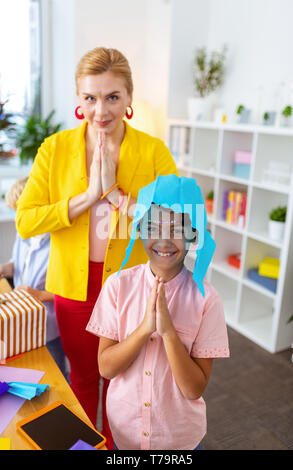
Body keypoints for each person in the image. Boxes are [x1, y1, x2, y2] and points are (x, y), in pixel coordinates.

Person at [15, 47, 179, 449]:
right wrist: (88, 196)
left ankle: (117, 448)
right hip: (74, 287)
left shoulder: (152, 150)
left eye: (111, 97)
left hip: (132, 289)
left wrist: (118, 196)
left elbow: (177, 223)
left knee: (123, 382)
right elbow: (26, 220)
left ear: (128, 99)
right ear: (78, 99)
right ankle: (89, 445)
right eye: (89, 98)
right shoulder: (54, 150)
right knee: (83, 378)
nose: (100, 110)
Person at [86, 175, 230, 450]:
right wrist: (144, 329)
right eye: (152, 227)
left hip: (179, 440)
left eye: (177, 229)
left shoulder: (207, 301)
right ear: (139, 228)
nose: (163, 241)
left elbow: (193, 389)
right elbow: (106, 368)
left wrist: (168, 332)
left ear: (194, 234)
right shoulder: (117, 286)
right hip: (124, 434)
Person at [0, 178, 66, 375]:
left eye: (20, 211)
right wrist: (5, 268)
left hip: (49, 325)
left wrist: (36, 294)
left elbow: (68, 293)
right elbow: (18, 264)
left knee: (56, 374)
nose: (17, 218)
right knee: (31, 371)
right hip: (24, 320)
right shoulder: (24, 235)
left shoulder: (59, 241)